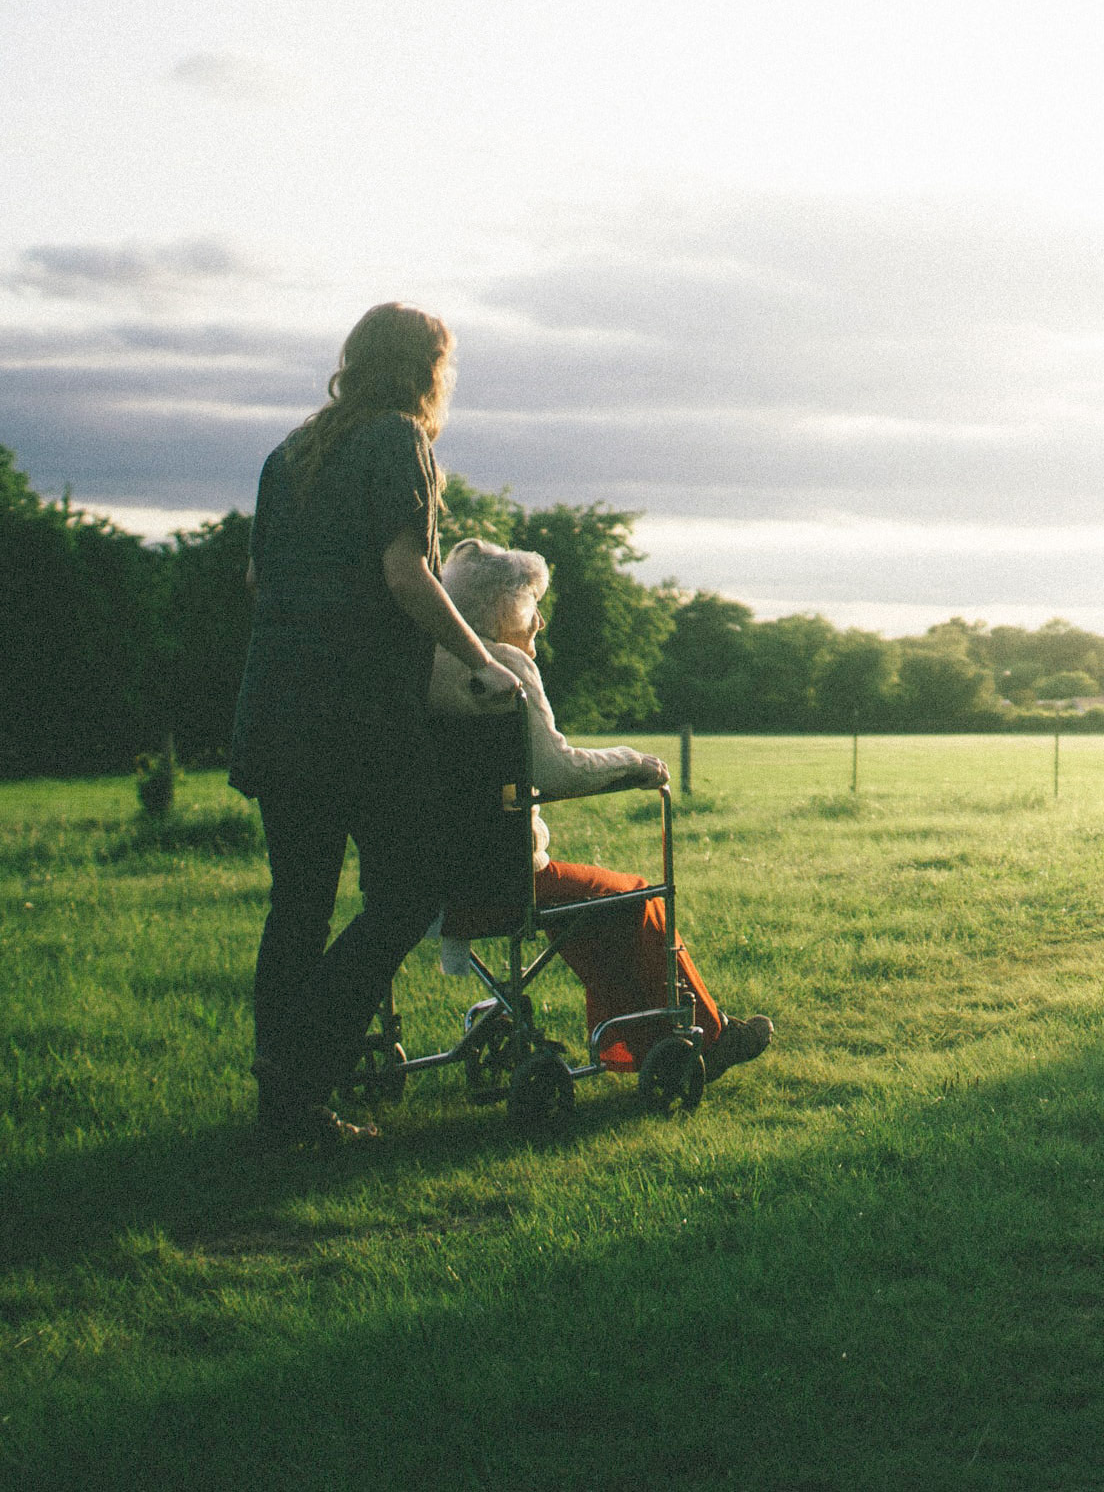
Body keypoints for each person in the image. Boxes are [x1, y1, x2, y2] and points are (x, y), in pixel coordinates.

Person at [231, 303, 521, 1147]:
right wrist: (481, 660)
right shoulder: (399, 441)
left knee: (299, 904)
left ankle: (284, 1107)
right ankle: (300, 1064)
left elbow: (259, 576)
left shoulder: (288, 454)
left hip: (275, 704)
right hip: (352, 715)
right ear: (426, 368)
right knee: (407, 891)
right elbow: (407, 572)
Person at [428, 539, 772, 1079]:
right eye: (531, 603)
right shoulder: (504, 667)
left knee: (594, 907)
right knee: (635, 897)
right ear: (501, 609)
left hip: (432, 879)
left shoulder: (427, 665)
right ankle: (708, 1035)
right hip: (505, 878)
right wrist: (632, 762)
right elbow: (556, 771)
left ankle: (632, 1046)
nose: (539, 619)